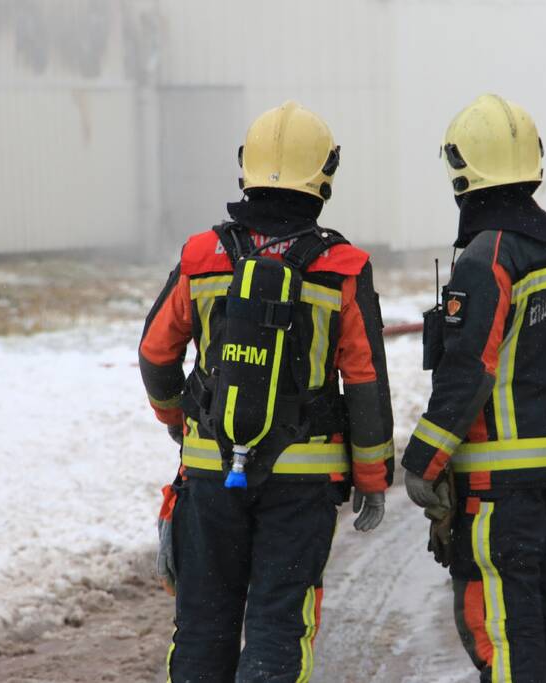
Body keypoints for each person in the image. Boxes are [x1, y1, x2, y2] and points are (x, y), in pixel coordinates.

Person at [139, 101, 394, 682]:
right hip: (301, 484)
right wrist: (373, 478)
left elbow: (156, 354)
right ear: (324, 173)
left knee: (204, 626)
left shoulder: (202, 256)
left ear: (245, 168)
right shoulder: (342, 266)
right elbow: (364, 380)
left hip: (209, 474)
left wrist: (182, 419)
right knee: (281, 626)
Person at [402, 94, 546, 683]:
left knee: (504, 633)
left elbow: (471, 368)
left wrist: (423, 461)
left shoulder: (488, 257)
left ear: (463, 169)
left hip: (499, 495)